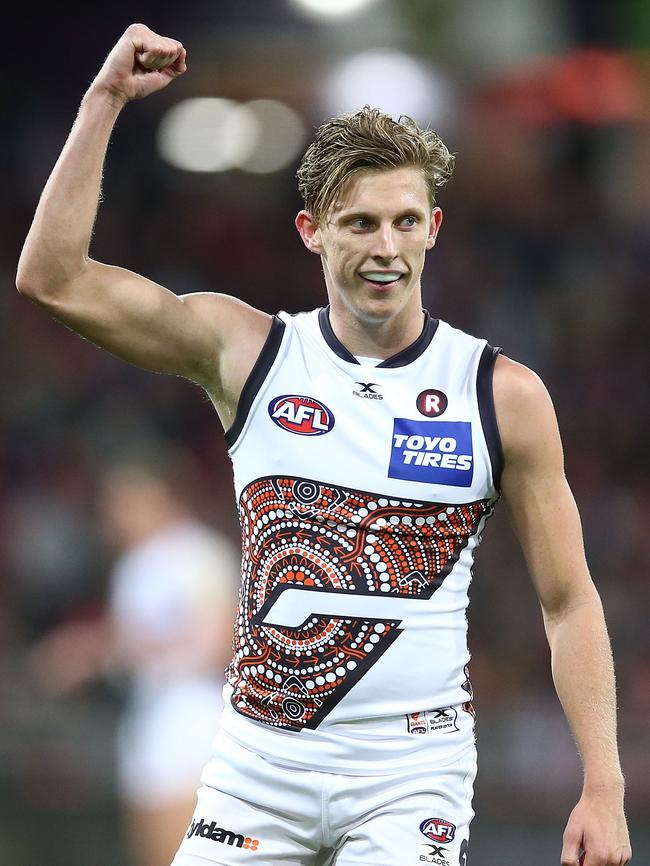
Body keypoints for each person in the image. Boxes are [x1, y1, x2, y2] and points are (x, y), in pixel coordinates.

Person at [16, 23, 631, 866]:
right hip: (257, 766)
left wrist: (604, 786)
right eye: (361, 223)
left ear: (434, 228)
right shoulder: (249, 353)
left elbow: (568, 603)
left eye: (405, 221)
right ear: (312, 231)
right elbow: (52, 279)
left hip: (411, 773)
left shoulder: (503, 396)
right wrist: (104, 100)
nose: (385, 248)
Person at [30, 445, 240, 866]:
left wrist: (103, 652)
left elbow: (222, 644)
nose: (115, 512)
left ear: (160, 493)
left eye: (126, 498)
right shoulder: (136, 563)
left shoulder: (197, 553)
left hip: (195, 733)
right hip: (151, 729)